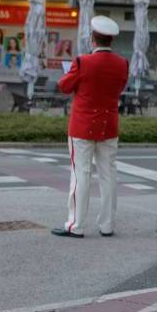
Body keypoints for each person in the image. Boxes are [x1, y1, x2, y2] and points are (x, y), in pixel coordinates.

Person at [52, 16, 129, 239]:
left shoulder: (82, 61)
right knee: (109, 175)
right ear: (111, 39)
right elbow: (119, 87)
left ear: (92, 38)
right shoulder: (122, 63)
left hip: (83, 127)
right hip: (109, 126)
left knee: (81, 175)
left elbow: (64, 86)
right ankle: (107, 225)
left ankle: (76, 224)